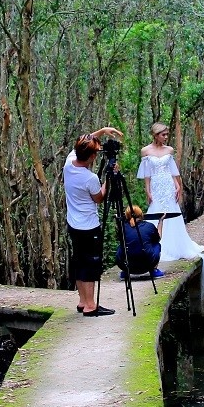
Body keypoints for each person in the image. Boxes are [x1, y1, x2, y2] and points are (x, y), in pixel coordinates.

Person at [64, 133, 116, 316]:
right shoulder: (90, 178)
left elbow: (83, 143)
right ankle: (90, 305)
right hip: (88, 226)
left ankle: (82, 301)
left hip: (73, 224)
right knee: (90, 264)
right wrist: (108, 179)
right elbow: (99, 198)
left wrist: (101, 130)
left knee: (79, 261)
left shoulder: (68, 164)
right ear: (92, 156)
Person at [137, 122, 204, 261]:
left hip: (168, 183)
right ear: (156, 135)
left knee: (171, 210)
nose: (166, 137)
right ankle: (155, 244)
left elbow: (172, 170)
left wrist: (178, 185)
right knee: (156, 210)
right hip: (156, 184)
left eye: (167, 134)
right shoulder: (146, 151)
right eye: (163, 135)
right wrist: (147, 190)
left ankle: (177, 244)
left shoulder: (169, 150)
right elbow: (147, 174)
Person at [114, 205, 164, 279]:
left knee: (122, 245)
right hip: (148, 265)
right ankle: (154, 270)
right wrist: (161, 221)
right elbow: (158, 238)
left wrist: (117, 220)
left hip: (127, 266)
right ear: (141, 214)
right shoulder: (149, 226)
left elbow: (118, 237)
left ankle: (125, 272)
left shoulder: (122, 228)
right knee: (157, 244)